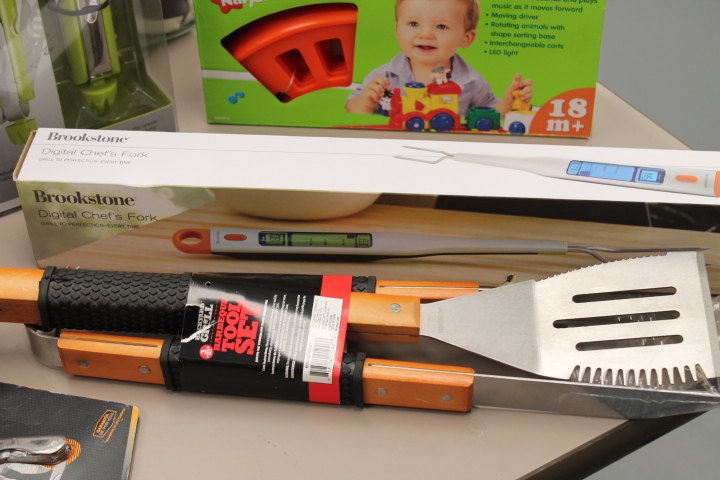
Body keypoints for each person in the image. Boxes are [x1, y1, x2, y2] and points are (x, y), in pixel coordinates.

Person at [345, 0, 532, 117]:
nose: (425, 34)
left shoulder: (472, 83)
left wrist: (508, 103)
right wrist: (366, 102)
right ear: (397, 30)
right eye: (413, 23)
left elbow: (491, 115)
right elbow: (350, 107)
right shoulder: (383, 76)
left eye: (441, 26)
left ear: (466, 38)